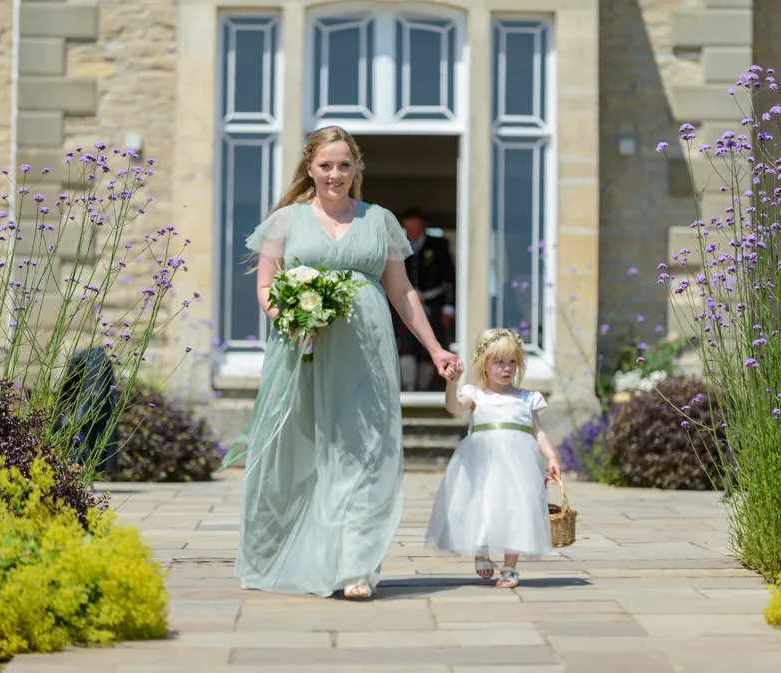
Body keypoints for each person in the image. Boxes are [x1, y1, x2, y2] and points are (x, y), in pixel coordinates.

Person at [236, 125, 463, 600]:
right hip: (303, 348)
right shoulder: (285, 221)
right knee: (298, 450)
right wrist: (289, 320)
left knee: (363, 449)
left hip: (366, 348)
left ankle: (356, 565)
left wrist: (435, 348)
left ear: (356, 168)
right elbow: (265, 285)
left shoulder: (379, 221)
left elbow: (402, 292)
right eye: (326, 165)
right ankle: (283, 555)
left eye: (344, 164)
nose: (335, 174)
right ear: (309, 169)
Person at [425, 328, 561, 589]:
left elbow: (538, 431)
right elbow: (454, 407)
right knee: (483, 504)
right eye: (498, 362)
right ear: (484, 365)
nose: (506, 368)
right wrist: (452, 384)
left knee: (517, 509)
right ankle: (482, 550)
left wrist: (552, 456)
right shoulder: (476, 395)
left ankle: (510, 567)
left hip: (519, 464)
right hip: (482, 462)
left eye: (512, 362)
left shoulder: (527, 398)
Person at [393, 208, 456, 392]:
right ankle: (410, 388)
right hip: (405, 305)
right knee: (406, 346)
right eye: (406, 226)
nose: (409, 230)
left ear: (423, 224)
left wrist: (449, 307)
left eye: (413, 226)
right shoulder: (399, 245)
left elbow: (450, 277)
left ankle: (423, 388)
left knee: (430, 347)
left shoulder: (438, 245)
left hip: (433, 303)